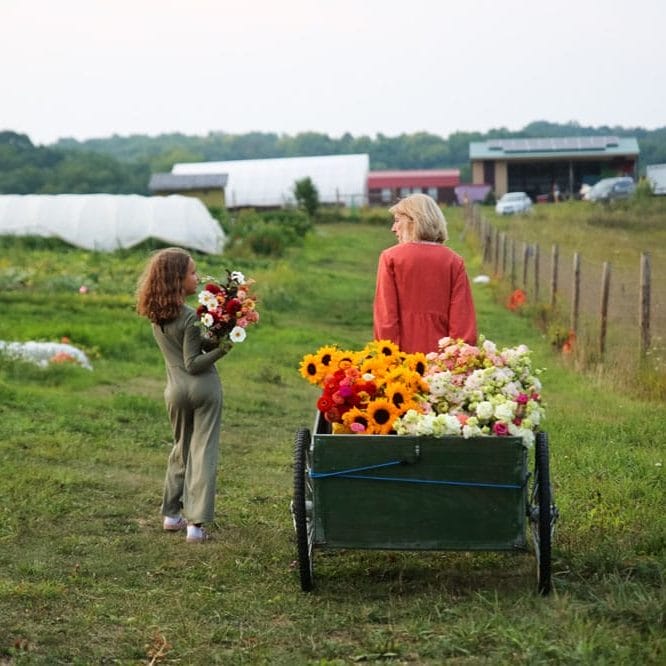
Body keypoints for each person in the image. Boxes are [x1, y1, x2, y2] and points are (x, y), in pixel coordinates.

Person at [136, 247, 232, 543]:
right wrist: (222, 348)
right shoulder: (190, 316)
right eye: (192, 272)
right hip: (202, 389)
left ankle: (171, 515)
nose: (197, 277)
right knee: (202, 452)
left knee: (181, 448)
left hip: (174, 391)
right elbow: (194, 363)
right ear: (177, 279)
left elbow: (184, 350)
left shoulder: (157, 315)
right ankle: (196, 524)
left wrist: (212, 334)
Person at [373, 193, 477, 353]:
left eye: (397, 220)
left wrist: (388, 359)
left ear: (413, 221)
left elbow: (386, 318)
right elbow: (462, 323)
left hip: (403, 361)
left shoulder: (391, 258)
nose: (393, 228)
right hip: (442, 365)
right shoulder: (454, 261)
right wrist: (457, 365)